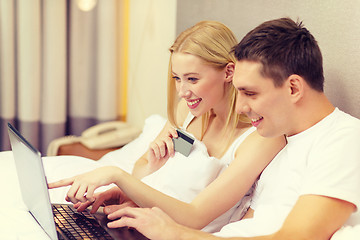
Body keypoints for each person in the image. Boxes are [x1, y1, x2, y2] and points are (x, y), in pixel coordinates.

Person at [103, 17, 360, 240]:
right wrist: (141, 202)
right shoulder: (282, 140)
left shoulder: (343, 138)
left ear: (293, 88)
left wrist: (175, 232)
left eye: (250, 93)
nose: (240, 108)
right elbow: (240, 224)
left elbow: (297, 236)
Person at [49, 21, 285, 232]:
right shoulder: (188, 113)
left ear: (228, 71)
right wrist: (132, 191)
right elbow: (141, 171)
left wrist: (116, 176)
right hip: (143, 222)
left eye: (192, 79)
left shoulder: (259, 139)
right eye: (177, 78)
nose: (182, 91)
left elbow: (195, 217)